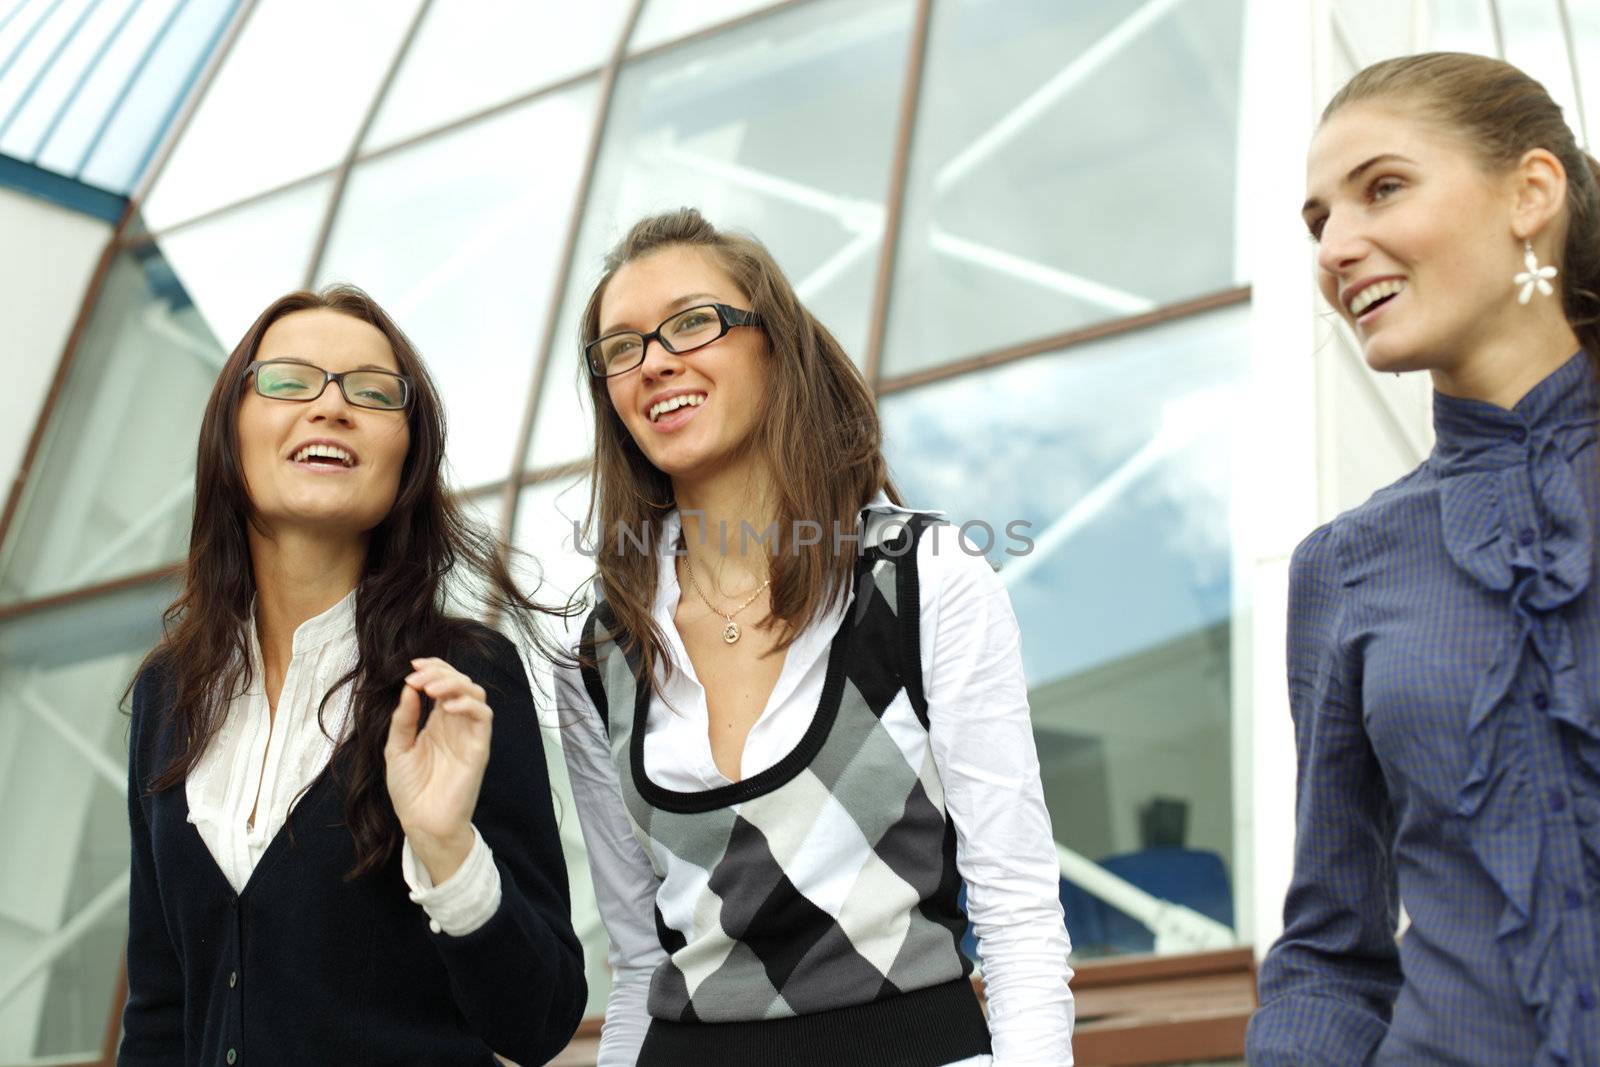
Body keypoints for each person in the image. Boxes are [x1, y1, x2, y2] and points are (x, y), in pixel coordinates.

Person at [553, 208, 1074, 1067]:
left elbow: (1017, 912)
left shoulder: (922, 575)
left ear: (775, 344)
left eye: (693, 322)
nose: (656, 361)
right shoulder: (604, 650)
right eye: (622, 347)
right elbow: (642, 962)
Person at [119, 286, 586, 1065]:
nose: (331, 406)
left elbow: (538, 1020)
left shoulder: (458, 677)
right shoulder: (173, 692)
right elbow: (162, 1006)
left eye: (372, 392)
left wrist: (448, 850)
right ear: (231, 427)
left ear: (407, 454)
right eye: (290, 379)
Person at [1249, 52, 1600, 1065]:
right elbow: (1329, 951)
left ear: (1528, 192)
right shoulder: (1345, 564)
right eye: (1318, 220)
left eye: (1382, 188)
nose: (1337, 247)